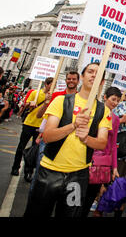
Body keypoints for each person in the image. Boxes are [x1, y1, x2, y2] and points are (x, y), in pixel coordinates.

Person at [24, 62, 112, 217]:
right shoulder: (61, 101)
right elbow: (48, 136)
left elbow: (102, 143)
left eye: (98, 74)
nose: (93, 75)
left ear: (103, 82)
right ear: (82, 77)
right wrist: (73, 125)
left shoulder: (103, 110)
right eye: (90, 71)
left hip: (78, 177)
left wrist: (86, 138)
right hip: (49, 173)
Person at [81, 86, 121, 217]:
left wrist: (114, 167)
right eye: (113, 99)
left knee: (90, 196)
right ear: (105, 97)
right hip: (86, 159)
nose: (115, 103)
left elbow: (113, 144)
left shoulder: (115, 119)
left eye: (118, 101)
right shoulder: (95, 111)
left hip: (102, 164)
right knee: (77, 196)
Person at [11, 77, 53, 181]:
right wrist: (30, 103)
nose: (53, 87)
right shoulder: (35, 93)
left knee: (34, 151)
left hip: (40, 127)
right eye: (52, 84)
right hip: (29, 123)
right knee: (21, 147)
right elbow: (25, 104)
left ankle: (28, 172)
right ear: (46, 84)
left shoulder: (52, 97)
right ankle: (15, 167)